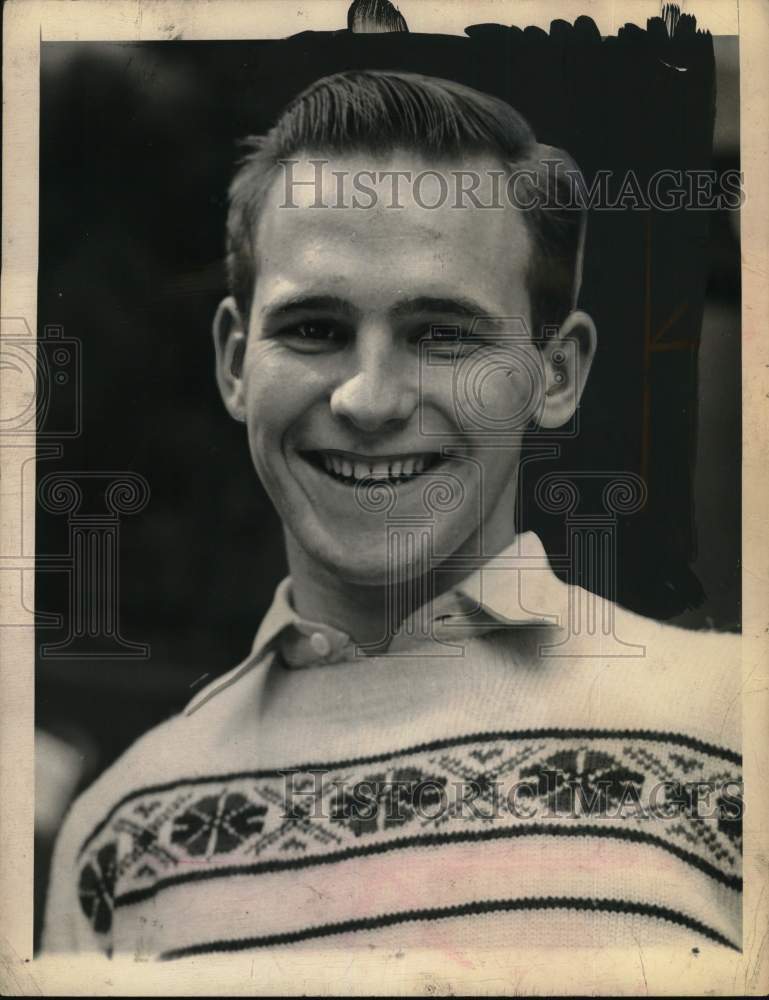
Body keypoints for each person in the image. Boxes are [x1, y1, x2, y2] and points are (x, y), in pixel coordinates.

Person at [43, 70, 741, 959]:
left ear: (556, 374)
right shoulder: (120, 840)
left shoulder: (736, 728)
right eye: (314, 329)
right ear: (234, 362)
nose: (369, 401)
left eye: (441, 334)